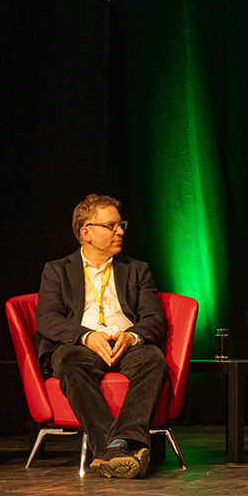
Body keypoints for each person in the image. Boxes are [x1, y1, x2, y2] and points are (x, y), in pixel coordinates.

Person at [34, 194, 169, 479]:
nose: (120, 231)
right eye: (111, 226)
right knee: (69, 363)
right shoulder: (57, 270)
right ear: (86, 233)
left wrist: (132, 337)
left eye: (121, 225)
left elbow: (154, 318)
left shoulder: (136, 269)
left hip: (124, 343)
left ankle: (116, 447)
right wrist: (86, 336)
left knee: (153, 359)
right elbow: (47, 319)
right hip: (79, 345)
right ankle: (120, 448)